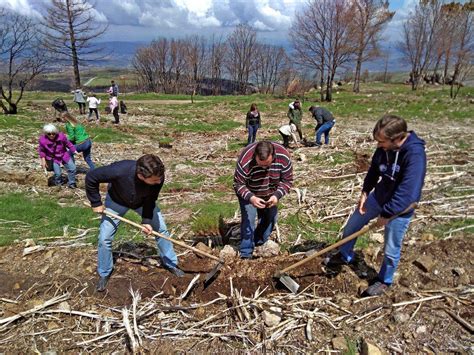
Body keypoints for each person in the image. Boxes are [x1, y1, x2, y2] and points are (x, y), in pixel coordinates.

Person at [323, 115, 427, 297]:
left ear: (397, 139)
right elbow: (374, 170)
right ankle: (345, 254)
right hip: (378, 197)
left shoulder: (414, 155)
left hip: (399, 210)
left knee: (391, 248)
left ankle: (384, 280)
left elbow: (409, 192)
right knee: (351, 227)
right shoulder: (384, 149)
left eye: (382, 141)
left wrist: (386, 214)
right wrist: (365, 192)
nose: (378, 145)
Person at [85, 154, 183, 292]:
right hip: (116, 202)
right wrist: (96, 202)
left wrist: (147, 220)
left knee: (161, 230)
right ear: (141, 176)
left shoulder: (158, 176)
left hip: (142, 203)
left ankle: (171, 263)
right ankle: (104, 273)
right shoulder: (120, 170)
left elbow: (151, 199)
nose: (159, 181)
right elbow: (91, 177)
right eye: (155, 180)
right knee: (104, 238)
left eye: (159, 178)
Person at [234, 141, 293, 259]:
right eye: (260, 165)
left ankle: (260, 244)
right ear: (255, 156)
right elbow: (238, 184)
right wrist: (251, 197)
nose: (264, 168)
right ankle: (246, 253)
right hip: (250, 192)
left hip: (271, 193)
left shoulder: (284, 157)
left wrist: (276, 195)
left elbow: (287, 181)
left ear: (273, 155)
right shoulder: (245, 160)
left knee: (271, 218)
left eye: (267, 164)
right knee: (249, 221)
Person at [38, 123, 77, 188]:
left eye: (53, 133)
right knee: (58, 173)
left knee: (72, 168)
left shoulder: (61, 137)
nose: (51, 135)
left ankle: (72, 183)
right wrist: (43, 160)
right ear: (46, 134)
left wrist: (74, 150)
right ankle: (58, 184)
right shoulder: (43, 141)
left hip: (64, 154)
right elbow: (42, 151)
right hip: (54, 158)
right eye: (49, 134)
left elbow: (68, 143)